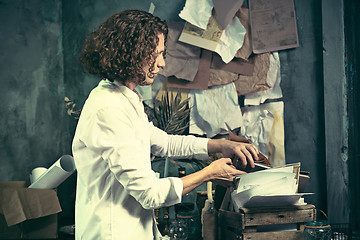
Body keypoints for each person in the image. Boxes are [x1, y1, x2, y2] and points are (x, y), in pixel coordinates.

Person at [72, 9, 259, 240]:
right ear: (133, 54)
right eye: (156, 54)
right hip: (111, 232)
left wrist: (220, 145)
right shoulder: (108, 109)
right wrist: (209, 173)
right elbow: (150, 193)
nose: (162, 63)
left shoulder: (124, 97)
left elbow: (164, 142)